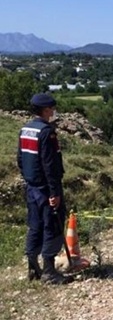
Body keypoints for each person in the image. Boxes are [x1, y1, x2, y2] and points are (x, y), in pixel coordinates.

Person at [16, 93, 72, 285]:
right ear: (46, 110)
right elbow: (50, 165)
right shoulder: (47, 132)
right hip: (46, 189)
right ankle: (49, 272)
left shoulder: (25, 129)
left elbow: (20, 160)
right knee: (53, 226)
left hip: (32, 188)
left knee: (35, 226)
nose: (54, 111)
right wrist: (54, 192)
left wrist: (30, 181)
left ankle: (33, 266)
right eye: (52, 108)